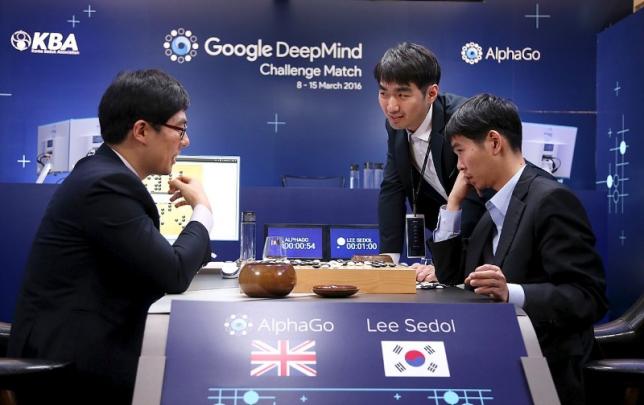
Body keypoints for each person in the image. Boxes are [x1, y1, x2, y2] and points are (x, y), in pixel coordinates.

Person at [8, 69, 213, 404]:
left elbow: (157, 267)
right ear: (142, 130)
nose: (186, 141)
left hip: (81, 354)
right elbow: (173, 273)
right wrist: (203, 209)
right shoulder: (107, 185)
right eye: (180, 129)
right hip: (72, 373)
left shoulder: (101, 174)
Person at [429, 93, 608, 404]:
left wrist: (511, 293)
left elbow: (588, 297)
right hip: (497, 359)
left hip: (545, 371)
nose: (459, 166)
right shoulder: (491, 210)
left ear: (494, 142)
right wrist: (453, 203)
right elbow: (451, 277)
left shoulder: (550, 200)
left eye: (460, 152)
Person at [374, 42, 485, 280]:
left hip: (488, 231)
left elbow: (477, 196)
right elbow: (392, 187)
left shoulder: (463, 119)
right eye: (384, 93)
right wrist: (387, 264)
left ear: (431, 94)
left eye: (403, 95)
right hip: (449, 229)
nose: (391, 106)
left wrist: (446, 264)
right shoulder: (396, 125)